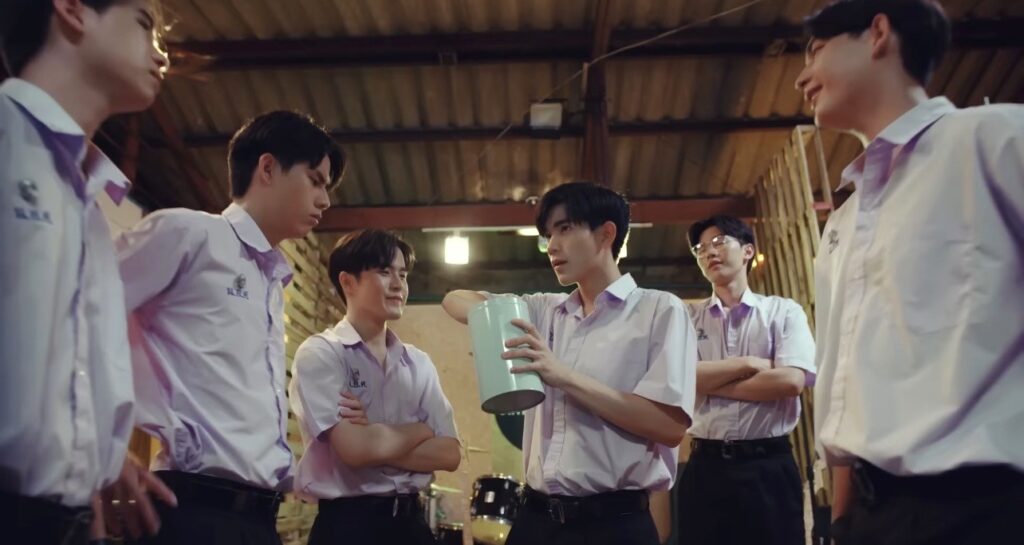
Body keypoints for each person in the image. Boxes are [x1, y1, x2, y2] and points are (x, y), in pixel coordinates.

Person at [795, 1, 1024, 543]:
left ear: (878, 32)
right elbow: (845, 384)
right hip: (872, 513)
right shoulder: (843, 222)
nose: (802, 78)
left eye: (817, 51)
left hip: (986, 504)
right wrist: (842, 522)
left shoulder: (995, 137)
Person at [116, 110, 344, 545]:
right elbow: (80, 314)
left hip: (259, 518)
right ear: (267, 168)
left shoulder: (271, 279)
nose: (325, 201)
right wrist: (102, 446)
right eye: (315, 180)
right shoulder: (189, 234)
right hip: (192, 511)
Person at [0, 1, 176, 543]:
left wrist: (94, 457)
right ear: (73, 8)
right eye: (145, 24)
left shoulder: (90, 201)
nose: (163, 56)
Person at [442, 181, 697, 545]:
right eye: (548, 235)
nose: (552, 246)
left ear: (606, 233)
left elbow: (669, 426)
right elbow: (454, 299)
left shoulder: (659, 310)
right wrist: (495, 321)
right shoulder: (544, 310)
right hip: (535, 519)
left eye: (564, 229)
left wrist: (562, 376)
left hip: (614, 523)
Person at [289, 229, 460, 545]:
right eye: (384, 271)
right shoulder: (322, 353)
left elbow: (450, 454)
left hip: (411, 524)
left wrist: (375, 436)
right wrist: (422, 430)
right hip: (347, 526)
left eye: (403, 274)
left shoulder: (418, 362)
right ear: (348, 282)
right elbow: (355, 451)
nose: (398, 284)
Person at [678, 214, 815, 545]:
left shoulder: (784, 312)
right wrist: (749, 364)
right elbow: (678, 378)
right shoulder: (686, 317)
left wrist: (710, 380)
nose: (709, 252)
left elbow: (790, 382)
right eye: (700, 248)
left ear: (748, 251)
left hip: (768, 466)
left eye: (719, 242)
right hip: (705, 466)